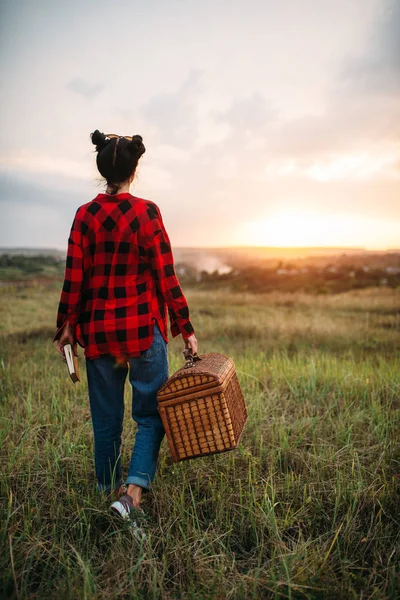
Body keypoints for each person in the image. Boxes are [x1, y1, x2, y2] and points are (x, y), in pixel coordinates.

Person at [53, 130, 198, 525]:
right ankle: (132, 492)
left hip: (99, 334)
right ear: (135, 169)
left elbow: (74, 278)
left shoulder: (85, 215)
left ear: (102, 169)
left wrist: (66, 324)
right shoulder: (146, 212)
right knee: (151, 416)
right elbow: (166, 275)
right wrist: (186, 327)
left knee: (106, 422)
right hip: (141, 331)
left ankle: (106, 492)